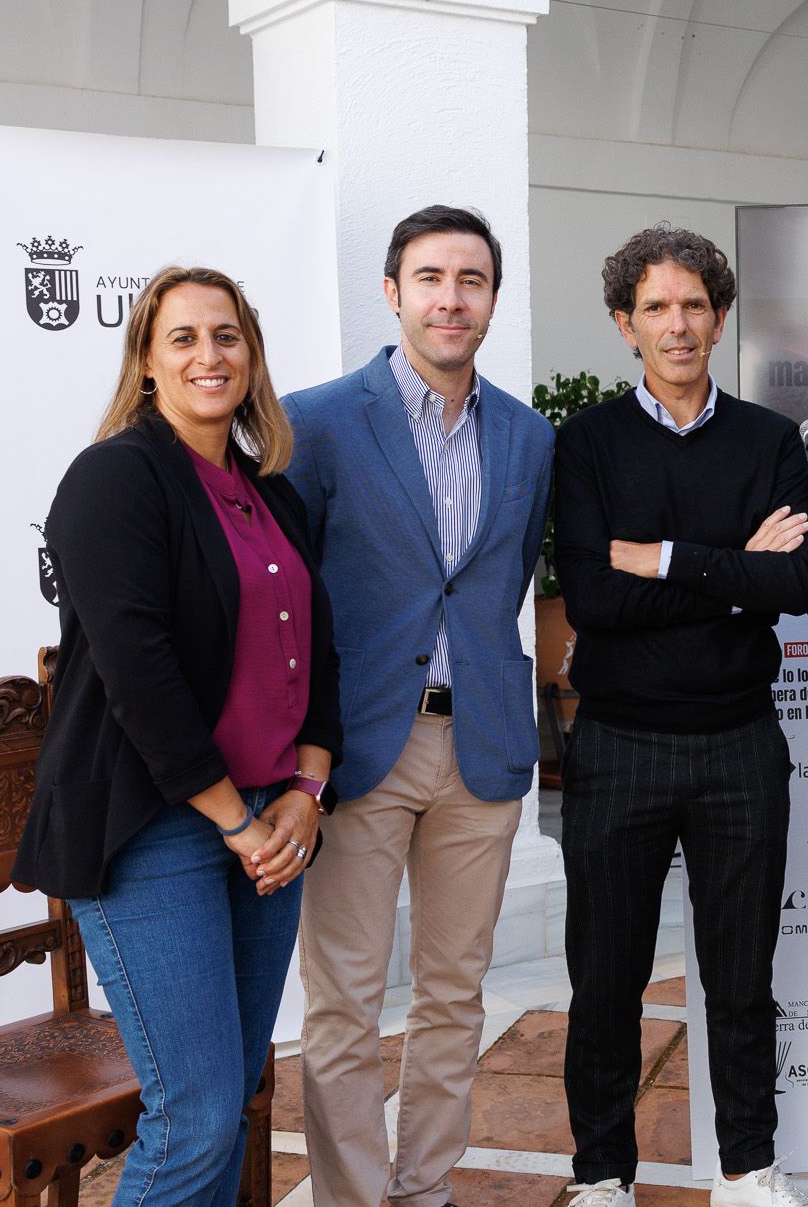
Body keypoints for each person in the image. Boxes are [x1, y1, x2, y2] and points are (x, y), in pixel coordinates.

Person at [15, 265, 340, 1207]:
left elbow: (318, 654)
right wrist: (236, 821)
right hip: (150, 826)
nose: (211, 355)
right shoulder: (114, 477)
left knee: (229, 1091)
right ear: (147, 363)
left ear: (253, 357)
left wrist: (305, 793)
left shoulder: (270, 493)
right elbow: (138, 676)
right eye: (185, 338)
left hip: (268, 821)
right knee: (193, 1113)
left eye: (228, 336)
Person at [282, 205, 555, 1207]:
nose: (453, 298)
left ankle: (425, 1187)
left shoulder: (528, 437)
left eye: (472, 280)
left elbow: (500, 581)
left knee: (453, 995)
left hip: (478, 744)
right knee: (344, 1003)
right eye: (431, 277)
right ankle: (352, 1197)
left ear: (492, 298)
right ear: (393, 291)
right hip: (356, 750)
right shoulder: (314, 420)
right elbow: (290, 591)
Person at [552, 226, 808, 1207]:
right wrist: (729, 566)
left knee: (742, 974)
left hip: (740, 741)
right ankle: (600, 1175)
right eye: (657, 307)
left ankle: (747, 1166)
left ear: (720, 314)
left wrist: (665, 556)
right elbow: (591, 599)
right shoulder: (584, 444)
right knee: (606, 977)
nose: (679, 323)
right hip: (619, 742)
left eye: (695, 304)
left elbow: (792, 581)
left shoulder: (766, 440)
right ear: (625, 324)